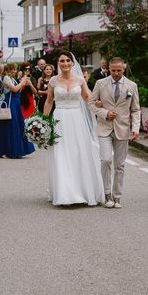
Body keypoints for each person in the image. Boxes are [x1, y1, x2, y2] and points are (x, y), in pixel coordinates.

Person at [44, 51, 104, 206]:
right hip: (59, 119)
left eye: (67, 61)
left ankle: (81, 190)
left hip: (77, 120)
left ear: (72, 63)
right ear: (58, 63)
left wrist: (96, 104)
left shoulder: (79, 79)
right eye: (62, 61)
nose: (65, 63)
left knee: (78, 153)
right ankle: (65, 193)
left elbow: (86, 98)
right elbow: (49, 102)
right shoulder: (53, 80)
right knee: (61, 154)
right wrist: (44, 122)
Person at [88, 57, 140, 208]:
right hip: (104, 127)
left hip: (123, 129)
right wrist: (104, 113)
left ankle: (117, 196)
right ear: (109, 69)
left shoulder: (132, 86)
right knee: (105, 160)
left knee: (119, 165)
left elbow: (136, 109)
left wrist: (135, 129)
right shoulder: (100, 83)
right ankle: (107, 194)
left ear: (123, 69)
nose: (116, 73)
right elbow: (91, 103)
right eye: (113, 70)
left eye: (119, 70)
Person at [0, 63, 35, 159]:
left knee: (16, 125)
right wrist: (22, 82)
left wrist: (24, 83)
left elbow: (18, 91)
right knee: (10, 125)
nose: (15, 72)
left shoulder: (12, 79)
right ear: (9, 70)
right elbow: (14, 89)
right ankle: (5, 150)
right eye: (14, 70)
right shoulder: (6, 78)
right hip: (9, 104)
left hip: (15, 103)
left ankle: (16, 149)